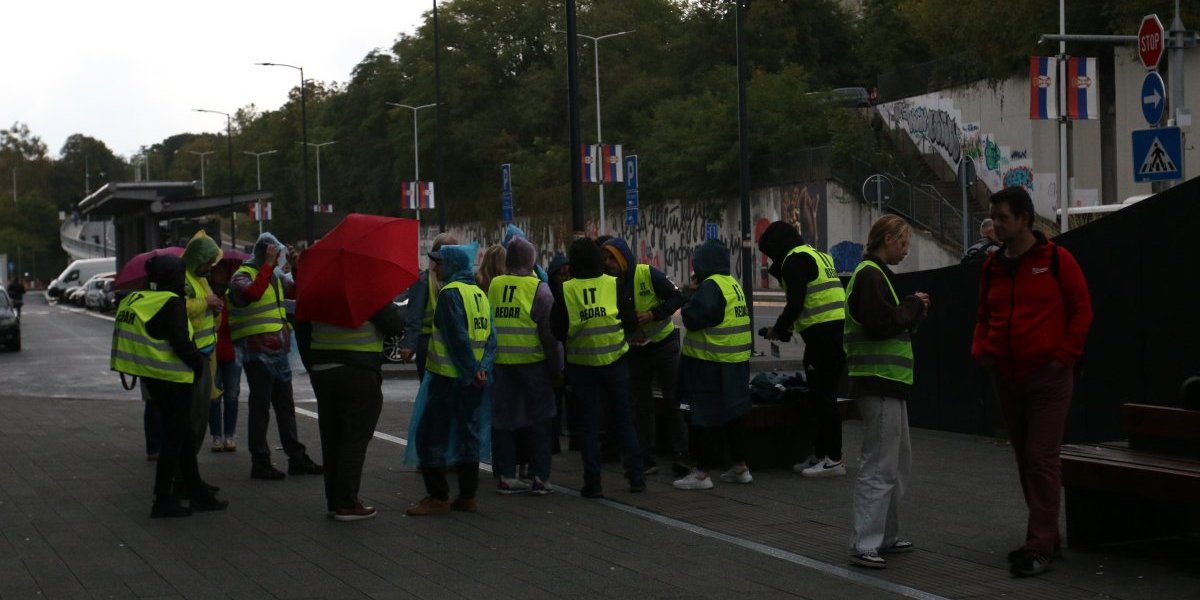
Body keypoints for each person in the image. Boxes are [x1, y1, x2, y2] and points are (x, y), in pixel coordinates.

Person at [971, 187, 1092, 577]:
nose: (996, 225)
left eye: (1003, 217)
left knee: (1041, 458)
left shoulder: (1056, 260)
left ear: (1024, 218)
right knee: (1026, 458)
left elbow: (1081, 310)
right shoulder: (992, 266)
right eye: (994, 217)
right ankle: (1046, 537)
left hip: (1047, 377)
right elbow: (983, 315)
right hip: (1007, 376)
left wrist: (1063, 358)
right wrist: (983, 352)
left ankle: (1038, 544)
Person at [111, 254, 228, 518]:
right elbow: (179, 339)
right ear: (172, 278)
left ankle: (194, 490)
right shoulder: (170, 302)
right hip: (174, 378)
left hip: (153, 376)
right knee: (175, 439)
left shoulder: (140, 298)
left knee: (183, 436)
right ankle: (162, 500)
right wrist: (197, 364)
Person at [844, 215, 929, 569]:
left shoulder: (874, 275)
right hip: (878, 380)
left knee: (895, 462)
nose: (906, 251)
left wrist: (911, 309)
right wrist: (914, 307)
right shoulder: (870, 276)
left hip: (885, 381)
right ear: (888, 239)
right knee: (880, 464)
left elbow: (887, 322)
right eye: (904, 243)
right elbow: (882, 325)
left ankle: (885, 535)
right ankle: (866, 542)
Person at [295, 263, 407, 522]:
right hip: (359, 372)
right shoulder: (366, 289)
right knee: (355, 437)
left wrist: (312, 365)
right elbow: (395, 324)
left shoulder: (315, 292)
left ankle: (334, 500)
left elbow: (302, 331)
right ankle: (348, 502)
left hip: (324, 371)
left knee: (331, 437)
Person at [405, 244, 497, 515]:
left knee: (429, 435)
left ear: (453, 265)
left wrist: (470, 368)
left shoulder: (449, 294)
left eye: (440, 263)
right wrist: (483, 369)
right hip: (475, 381)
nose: (436, 268)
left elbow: (456, 337)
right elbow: (492, 337)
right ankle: (467, 495)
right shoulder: (478, 293)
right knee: (469, 434)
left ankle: (438, 495)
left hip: (448, 378)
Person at [551, 237, 645, 498]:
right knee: (625, 419)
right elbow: (629, 322)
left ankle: (593, 482)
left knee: (589, 425)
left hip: (582, 366)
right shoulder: (613, 284)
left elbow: (557, 329)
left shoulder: (567, 290)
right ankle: (636, 476)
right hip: (615, 361)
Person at [227, 233, 323, 481]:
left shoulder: (274, 277)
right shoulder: (242, 275)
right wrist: (269, 265)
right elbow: (251, 294)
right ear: (265, 252)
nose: (279, 259)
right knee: (260, 407)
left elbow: (298, 290)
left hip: (278, 350)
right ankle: (260, 460)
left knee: (285, 406)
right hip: (256, 351)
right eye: (275, 254)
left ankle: (296, 457)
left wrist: (298, 267)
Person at [757, 220, 848, 477]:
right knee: (820, 393)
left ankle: (833, 458)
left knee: (824, 397)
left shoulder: (793, 260)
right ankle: (820, 454)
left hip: (823, 335)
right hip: (831, 333)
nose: (770, 258)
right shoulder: (817, 254)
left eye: (769, 252)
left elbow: (796, 302)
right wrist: (786, 330)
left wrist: (779, 328)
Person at [672, 239, 754, 490]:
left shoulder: (710, 287)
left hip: (710, 364)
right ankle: (740, 467)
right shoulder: (732, 284)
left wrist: (687, 298)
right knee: (734, 415)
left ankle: (701, 474)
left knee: (703, 417)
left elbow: (694, 317)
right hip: (735, 362)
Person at [601, 238, 688, 476]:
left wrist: (653, 314)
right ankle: (646, 457)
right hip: (636, 349)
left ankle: (681, 454)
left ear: (621, 257)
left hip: (663, 344)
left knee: (672, 399)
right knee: (641, 404)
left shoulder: (647, 273)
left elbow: (677, 297)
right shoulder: (610, 283)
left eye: (611, 258)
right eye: (605, 259)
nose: (608, 263)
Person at [488, 237, 562, 495]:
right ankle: (540, 477)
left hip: (501, 365)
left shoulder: (495, 285)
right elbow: (550, 337)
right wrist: (557, 370)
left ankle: (507, 476)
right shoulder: (539, 290)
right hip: (533, 365)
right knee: (540, 422)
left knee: (504, 422)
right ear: (531, 260)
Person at [181, 230, 223, 454]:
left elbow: (208, 309)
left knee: (201, 415)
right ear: (197, 259)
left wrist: (215, 307)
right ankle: (185, 470)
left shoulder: (200, 279)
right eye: (208, 262)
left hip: (205, 354)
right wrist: (207, 302)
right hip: (192, 356)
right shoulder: (182, 278)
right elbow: (179, 307)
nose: (211, 267)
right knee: (194, 416)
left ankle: (188, 469)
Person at [399, 233, 458, 380]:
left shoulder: (425, 280)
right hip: (448, 341)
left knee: (429, 391)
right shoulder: (458, 281)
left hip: (428, 342)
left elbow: (415, 314)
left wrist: (409, 345)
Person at [209, 258, 241, 452]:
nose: (218, 274)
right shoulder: (208, 295)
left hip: (232, 350)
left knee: (231, 396)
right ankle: (216, 436)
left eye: (222, 271)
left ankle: (229, 435)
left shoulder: (233, 295)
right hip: (212, 351)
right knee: (214, 397)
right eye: (216, 271)